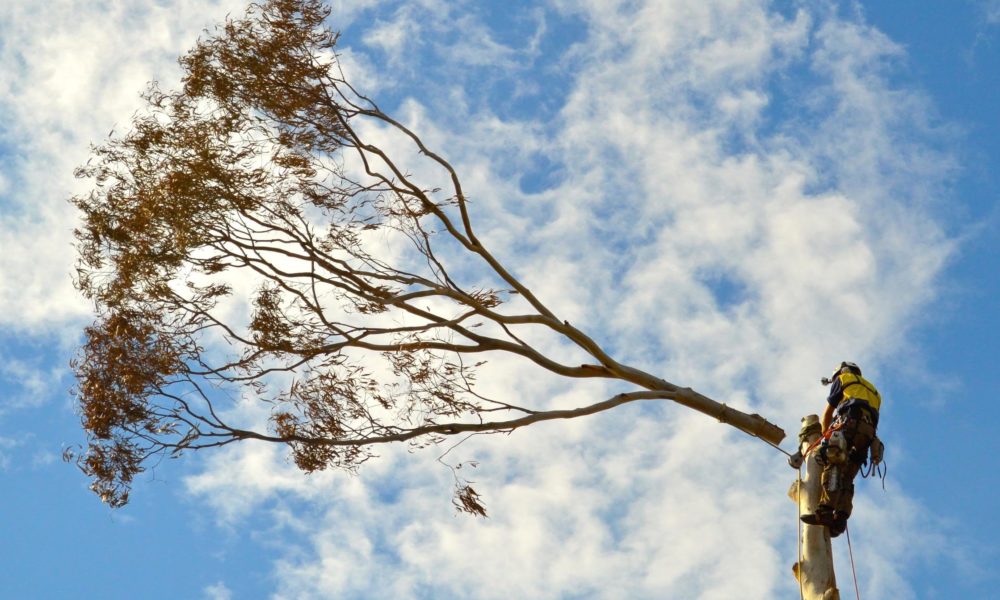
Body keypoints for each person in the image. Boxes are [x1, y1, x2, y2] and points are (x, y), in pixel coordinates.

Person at [800, 361, 881, 537]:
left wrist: (824, 438)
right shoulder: (874, 391)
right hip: (868, 434)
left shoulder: (843, 379)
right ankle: (841, 518)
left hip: (849, 423)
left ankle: (825, 511)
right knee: (847, 476)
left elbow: (828, 413)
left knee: (834, 463)